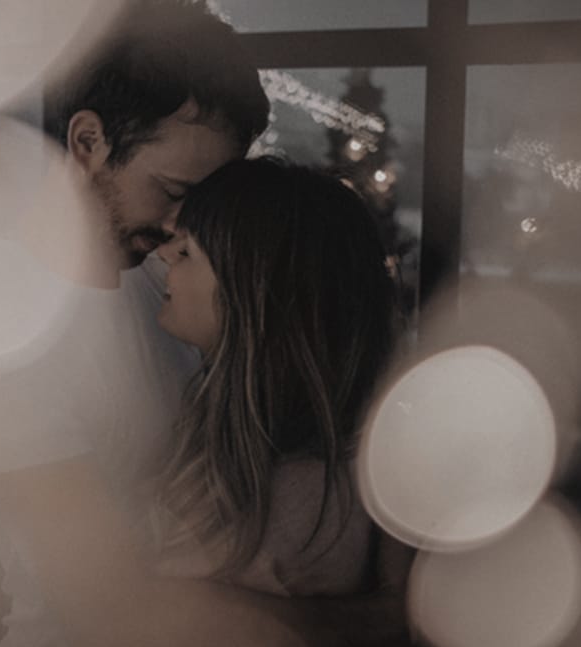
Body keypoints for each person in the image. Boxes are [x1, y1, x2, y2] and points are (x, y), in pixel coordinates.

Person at [0, 1, 411, 647]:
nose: (185, 230)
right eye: (177, 192)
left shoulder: (173, 277)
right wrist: (387, 620)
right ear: (88, 141)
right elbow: (116, 617)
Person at [149, 157, 399, 598]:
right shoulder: (246, 455)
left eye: (187, 251)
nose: (164, 252)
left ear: (254, 293)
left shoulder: (305, 502)